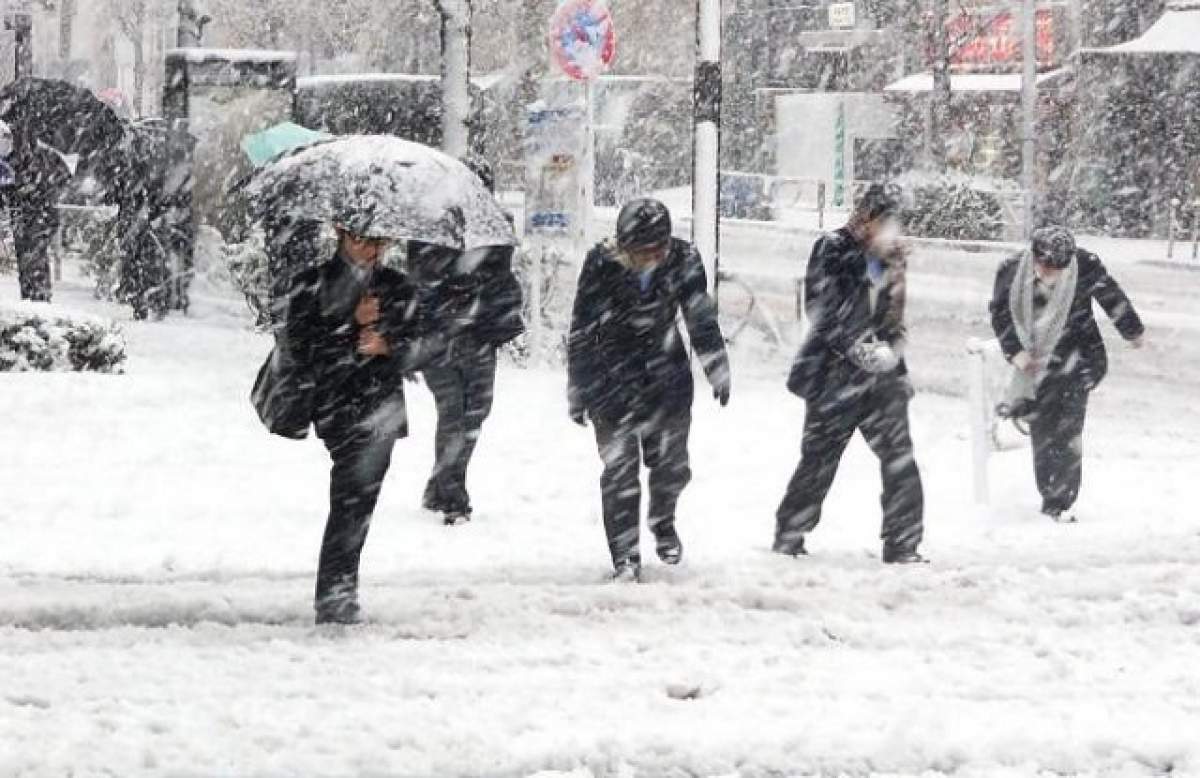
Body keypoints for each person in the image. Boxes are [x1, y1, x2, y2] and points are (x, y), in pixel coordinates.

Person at [284, 207, 450, 625]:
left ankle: (338, 592)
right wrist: (347, 327)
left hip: (380, 408)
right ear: (340, 233)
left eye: (380, 242)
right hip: (336, 405)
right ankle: (336, 595)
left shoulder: (397, 287)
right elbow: (301, 348)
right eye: (362, 239)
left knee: (357, 503)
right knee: (349, 500)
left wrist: (389, 344)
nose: (371, 250)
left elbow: (429, 343)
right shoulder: (312, 283)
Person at [568, 198, 731, 581]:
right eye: (637, 251)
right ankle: (625, 555)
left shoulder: (683, 260)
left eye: (654, 250)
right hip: (610, 378)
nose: (645, 258)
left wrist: (717, 367)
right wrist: (577, 387)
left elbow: (699, 316)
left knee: (672, 467)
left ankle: (662, 518)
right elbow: (581, 328)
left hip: (665, 377)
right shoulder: (600, 263)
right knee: (620, 471)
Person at [774, 183, 926, 564]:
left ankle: (902, 543)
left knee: (900, 460)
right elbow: (822, 308)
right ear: (867, 218)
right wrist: (858, 347)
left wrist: (895, 360)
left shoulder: (893, 260)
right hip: (833, 377)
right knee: (819, 460)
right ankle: (789, 535)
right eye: (887, 222)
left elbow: (893, 318)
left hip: (881, 381)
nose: (893, 232)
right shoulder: (833, 248)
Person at [989, 225, 1145, 523]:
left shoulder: (1083, 265)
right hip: (1035, 365)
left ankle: (1061, 501)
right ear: (1034, 256)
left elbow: (1111, 296)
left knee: (1069, 431)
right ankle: (1049, 494)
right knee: (1043, 432)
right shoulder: (1011, 271)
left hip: (1079, 359)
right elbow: (1000, 313)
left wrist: (1132, 331)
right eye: (1046, 265)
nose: (1052, 273)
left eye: (1059, 267)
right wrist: (1016, 352)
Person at [410, 157, 524, 527]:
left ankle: (440, 482)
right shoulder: (427, 225)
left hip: (479, 336)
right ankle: (453, 495)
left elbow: (500, 278)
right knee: (454, 412)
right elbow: (423, 281)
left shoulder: (498, 226)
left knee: (474, 413)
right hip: (439, 336)